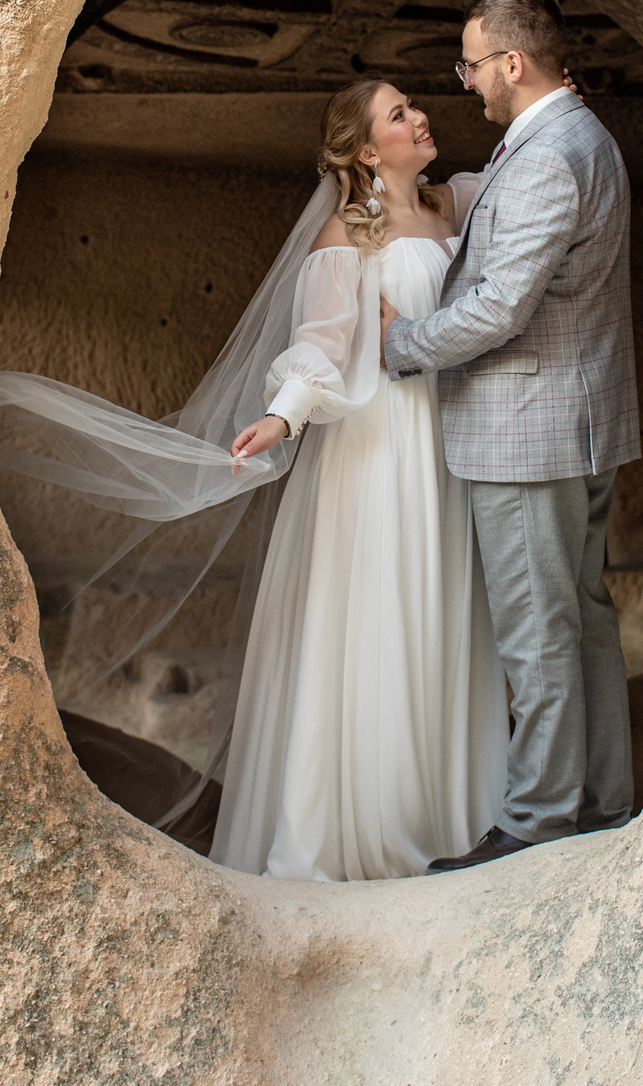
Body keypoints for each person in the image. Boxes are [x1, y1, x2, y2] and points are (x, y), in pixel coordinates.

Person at [214, 80, 506, 879]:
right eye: (399, 114)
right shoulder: (349, 233)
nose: (420, 118)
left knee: (446, 613)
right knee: (383, 615)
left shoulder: (461, 205)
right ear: (369, 150)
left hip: (450, 444)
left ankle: (455, 815)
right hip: (379, 449)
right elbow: (323, 336)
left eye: (416, 105)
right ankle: (372, 825)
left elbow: (528, 166)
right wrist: (281, 415)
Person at [378, 0, 639, 872]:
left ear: (514, 63)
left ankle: (536, 820)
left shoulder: (548, 155)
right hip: (576, 420)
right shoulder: (574, 138)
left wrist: (400, 341)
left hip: (529, 431)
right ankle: (603, 801)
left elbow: (498, 308)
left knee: (539, 628)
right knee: (583, 616)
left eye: (473, 64)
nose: (466, 82)